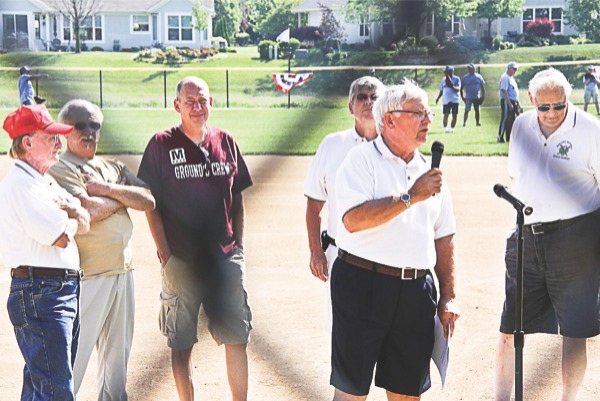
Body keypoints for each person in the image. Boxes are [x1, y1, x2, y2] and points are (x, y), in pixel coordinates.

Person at [331, 79, 460, 400]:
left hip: (416, 292)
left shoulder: (429, 173)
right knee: (351, 391)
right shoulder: (361, 161)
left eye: (429, 113)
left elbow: (444, 237)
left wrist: (448, 296)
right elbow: (352, 220)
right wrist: (410, 196)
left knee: (407, 392)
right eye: (418, 113)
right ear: (388, 119)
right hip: (362, 285)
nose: (429, 120)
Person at [138, 76, 253, 401]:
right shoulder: (162, 143)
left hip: (225, 256)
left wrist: (238, 245)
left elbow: (239, 199)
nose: (197, 107)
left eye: (202, 100)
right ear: (177, 106)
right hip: (182, 259)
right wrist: (165, 253)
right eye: (190, 101)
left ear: (211, 103)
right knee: (181, 341)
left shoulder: (225, 141)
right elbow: (151, 204)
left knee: (237, 336)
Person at [494, 68, 600, 401]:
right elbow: (516, 175)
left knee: (574, 332)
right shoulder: (521, 126)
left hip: (576, 240)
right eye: (544, 107)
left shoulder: (591, 131)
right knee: (510, 328)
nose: (552, 113)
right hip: (526, 236)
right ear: (531, 101)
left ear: (569, 100)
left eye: (559, 105)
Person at [47, 99, 156, 401]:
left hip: (123, 272)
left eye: (95, 125)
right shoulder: (61, 166)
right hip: (88, 276)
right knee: (74, 358)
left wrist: (107, 189)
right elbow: (87, 210)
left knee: (117, 360)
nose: (89, 132)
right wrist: (124, 198)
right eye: (81, 125)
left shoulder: (111, 166)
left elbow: (148, 199)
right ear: (65, 130)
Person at [0, 104, 90, 400]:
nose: (59, 143)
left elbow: (83, 219)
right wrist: (73, 216)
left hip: (54, 291)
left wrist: (74, 215)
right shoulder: (22, 185)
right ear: (27, 143)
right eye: (50, 137)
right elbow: (63, 237)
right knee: (56, 391)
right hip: (42, 294)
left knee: (44, 388)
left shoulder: (43, 180)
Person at [304, 76, 385, 286]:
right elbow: (314, 205)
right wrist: (316, 251)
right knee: (338, 320)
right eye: (362, 97)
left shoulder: (396, 148)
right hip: (340, 255)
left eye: (374, 97)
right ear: (351, 107)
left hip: (386, 258)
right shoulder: (332, 145)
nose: (369, 101)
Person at [497, 62, 521, 143]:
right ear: (509, 69)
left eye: (516, 69)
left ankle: (509, 137)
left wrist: (518, 104)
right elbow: (504, 90)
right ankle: (500, 137)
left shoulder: (511, 78)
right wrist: (509, 103)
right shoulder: (505, 77)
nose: (515, 71)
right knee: (505, 119)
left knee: (511, 120)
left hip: (513, 101)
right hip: (507, 101)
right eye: (514, 69)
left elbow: (515, 92)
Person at [435, 65, 461, 134]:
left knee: (454, 114)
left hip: (455, 99)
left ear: (451, 72)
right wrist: (438, 98)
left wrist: (452, 86)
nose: (445, 73)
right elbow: (441, 90)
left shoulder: (456, 79)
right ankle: (445, 129)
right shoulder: (443, 79)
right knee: (446, 114)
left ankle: (452, 129)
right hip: (446, 100)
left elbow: (458, 89)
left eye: (446, 71)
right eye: (445, 72)